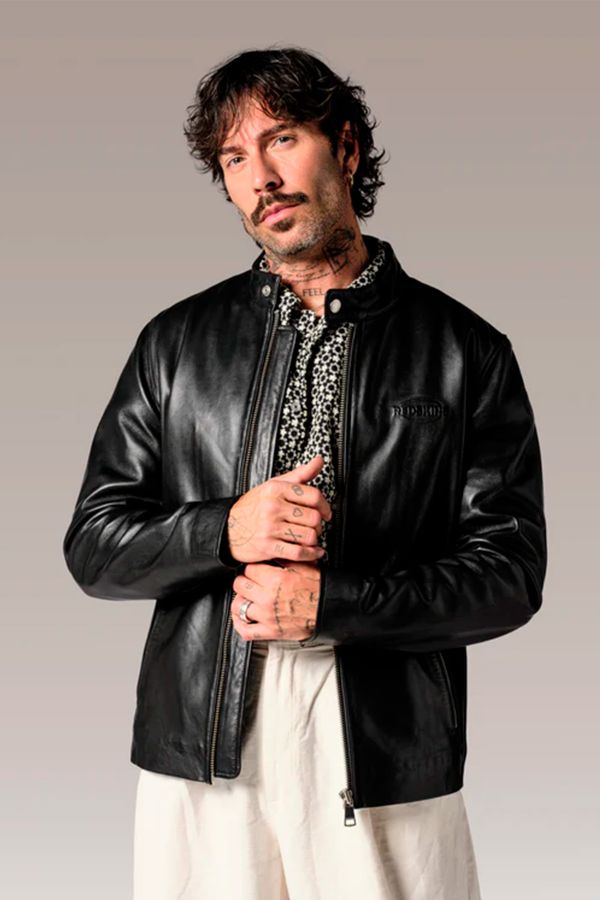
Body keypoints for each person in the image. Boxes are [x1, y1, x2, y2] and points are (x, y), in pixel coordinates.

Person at [63, 45, 547, 899]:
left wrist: (336, 605)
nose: (261, 178)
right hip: (203, 748)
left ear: (347, 147)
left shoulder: (462, 351)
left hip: (385, 747)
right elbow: (95, 546)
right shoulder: (176, 343)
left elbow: (509, 576)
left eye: (281, 140)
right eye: (234, 159)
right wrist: (226, 529)